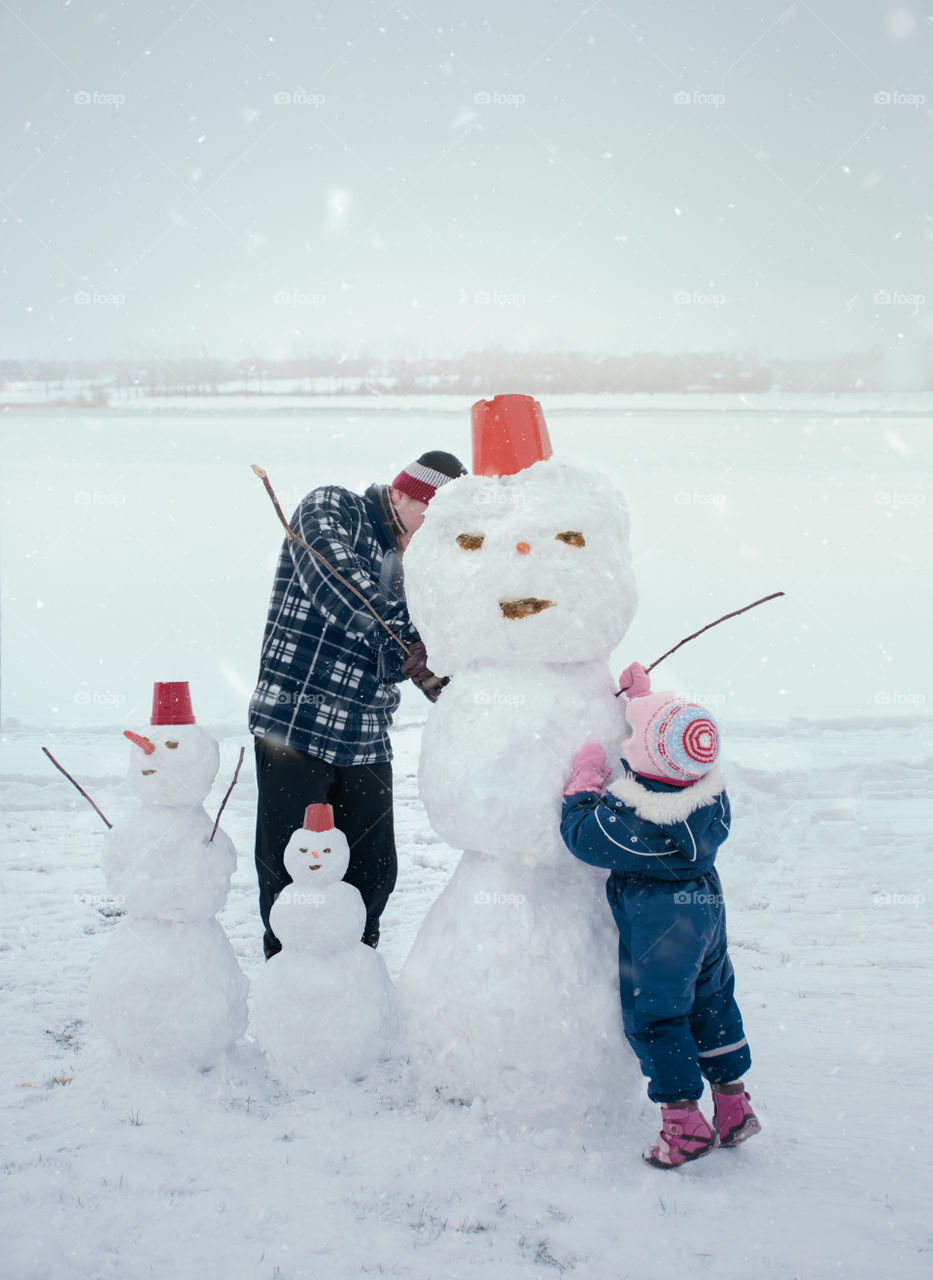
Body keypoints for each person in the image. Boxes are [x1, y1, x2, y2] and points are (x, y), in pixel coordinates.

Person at [249, 450, 466, 959]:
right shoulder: (332, 507)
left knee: (373, 869)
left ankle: (355, 970)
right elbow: (343, 591)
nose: (438, 533)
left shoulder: (418, 561)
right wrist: (416, 640)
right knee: (293, 867)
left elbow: (419, 658)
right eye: (436, 517)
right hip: (295, 723)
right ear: (405, 494)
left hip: (365, 732)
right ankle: (290, 974)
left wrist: (464, 692)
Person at [559, 661, 760, 1169]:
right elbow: (663, 762)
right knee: (712, 1000)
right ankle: (733, 1105)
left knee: (657, 1016)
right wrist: (641, 703)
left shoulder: (643, 829)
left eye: (632, 740)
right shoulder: (709, 802)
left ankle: (683, 1123)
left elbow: (586, 836)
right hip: (704, 910)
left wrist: (583, 788)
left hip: (661, 924)